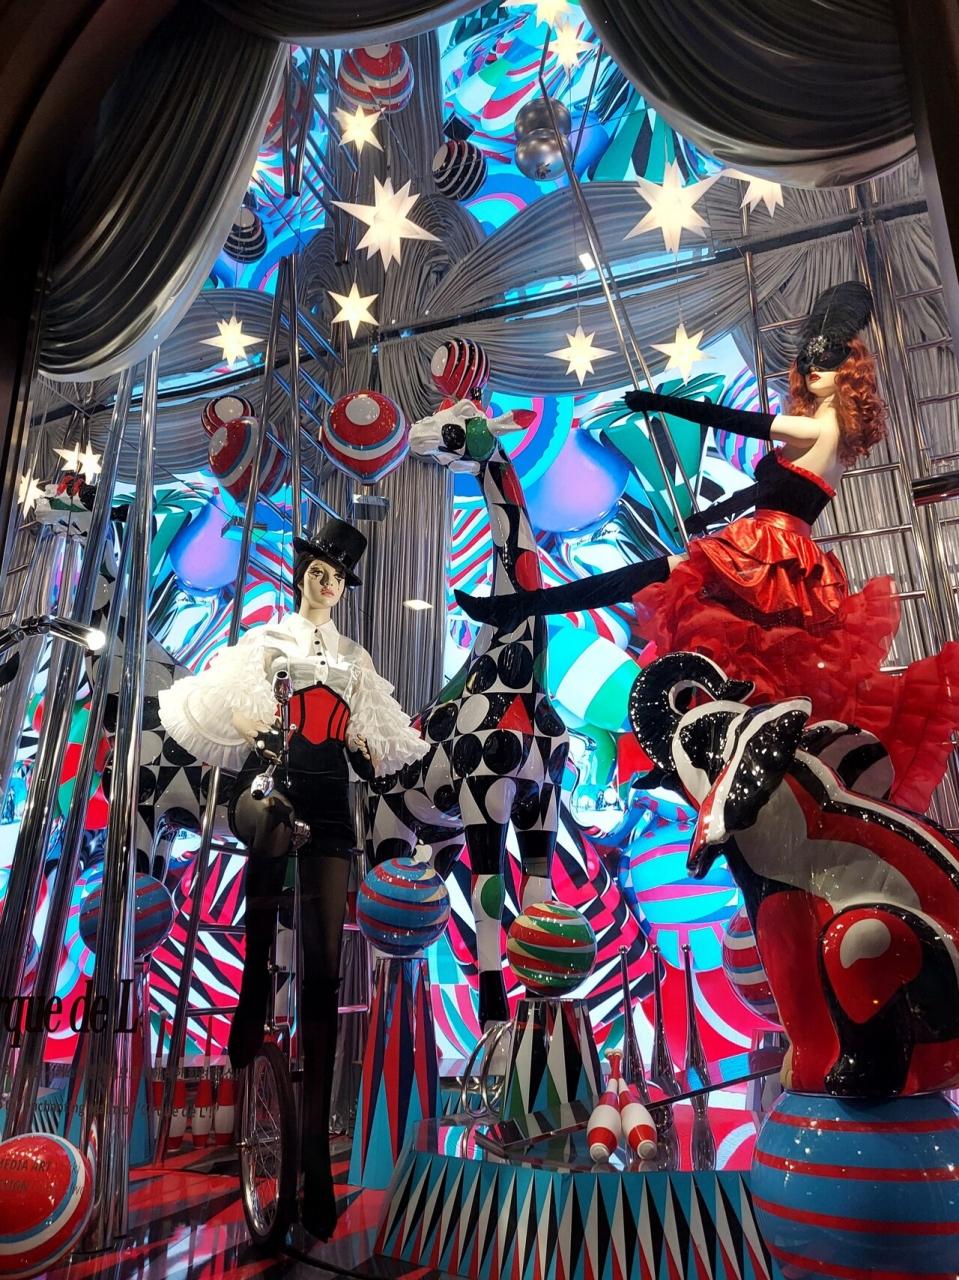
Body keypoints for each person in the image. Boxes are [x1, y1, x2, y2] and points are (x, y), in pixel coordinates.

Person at [456, 283, 959, 813]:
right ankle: (525, 612)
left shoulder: (820, 427)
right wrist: (712, 516)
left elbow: (739, 422)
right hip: (775, 549)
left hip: (771, 552)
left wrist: (658, 403)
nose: (814, 370)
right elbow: (776, 490)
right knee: (734, 650)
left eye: (827, 361)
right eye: (810, 362)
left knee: (662, 590)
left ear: (849, 371)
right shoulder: (822, 436)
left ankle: (519, 608)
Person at [158, 517, 427, 1239]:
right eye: (318, 570)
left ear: (344, 587)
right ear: (302, 572)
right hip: (273, 784)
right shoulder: (268, 639)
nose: (326, 583)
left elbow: (370, 739)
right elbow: (233, 705)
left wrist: (365, 748)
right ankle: (252, 984)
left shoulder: (354, 657)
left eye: (337, 577)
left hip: (330, 798)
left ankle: (314, 1163)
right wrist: (257, 727)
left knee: (325, 971)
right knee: (268, 852)